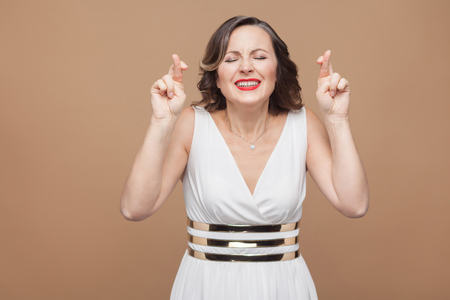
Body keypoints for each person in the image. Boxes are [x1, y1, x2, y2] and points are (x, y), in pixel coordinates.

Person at [120, 16, 369, 300]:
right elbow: (134, 209)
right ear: (216, 75)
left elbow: (354, 204)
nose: (246, 67)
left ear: (278, 70)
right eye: (231, 59)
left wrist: (337, 119)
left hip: (285, 287)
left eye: (260, 56)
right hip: (205, 286)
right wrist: (161, 121)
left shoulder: (303, 124)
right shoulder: (192, 124)